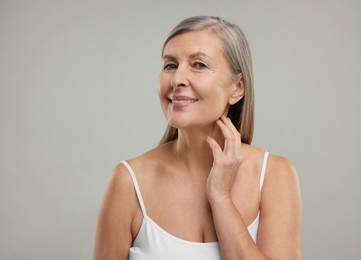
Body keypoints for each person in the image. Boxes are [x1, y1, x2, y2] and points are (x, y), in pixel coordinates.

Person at [93, 16, 302, 260]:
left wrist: (221, 198)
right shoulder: (128, 181)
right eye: (170, 65)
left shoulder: (274, 175)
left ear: (237, 89)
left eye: (199, 65)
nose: (177, 79)